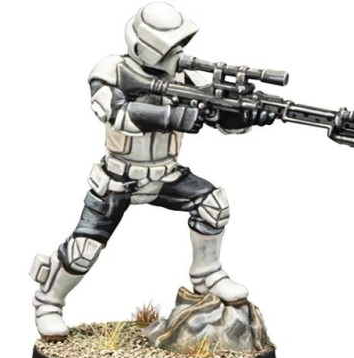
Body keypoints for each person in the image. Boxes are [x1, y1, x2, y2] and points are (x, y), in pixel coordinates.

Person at [30, 2, 274, 338]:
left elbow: (220, 119)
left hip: (166, 176)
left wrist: (244, 115)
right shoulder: (112, 70)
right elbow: (117, 113)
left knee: (213, 204)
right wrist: (174, 117)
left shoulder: (185, 76)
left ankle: (207, 276)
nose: (178, 52)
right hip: (118, 179)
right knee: (84, 249)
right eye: (169, 46)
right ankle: (48, 303)